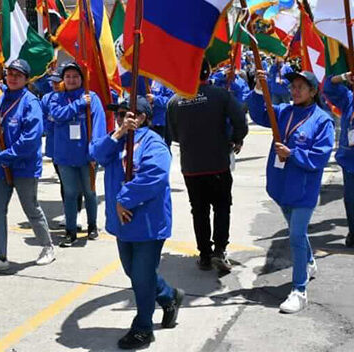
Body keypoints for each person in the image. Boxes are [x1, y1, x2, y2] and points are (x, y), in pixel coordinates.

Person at [92, 97, 183, 350]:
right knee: (133, 271)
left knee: (141, 277)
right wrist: (118, 133)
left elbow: (155, 175)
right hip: (123, 222)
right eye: (118, 115)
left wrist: (124, 199)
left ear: (141, 117)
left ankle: (143, 327)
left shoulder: (154, 143)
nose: (120, 119)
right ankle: (169, 296)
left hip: (147, 223)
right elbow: (96, 154)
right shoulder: (117, 138)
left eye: (124, 114)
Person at [249, 70, 334, 313]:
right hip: (281, 186)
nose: (295, 91)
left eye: (300, 87)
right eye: (293, 86)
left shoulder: (322, 120)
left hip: (304, 191)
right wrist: (258, 88)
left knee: (296, 236)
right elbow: (258, 114)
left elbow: (320, 156)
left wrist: (293, 154)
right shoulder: (285, 110)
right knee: (295, 232)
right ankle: (308, 262)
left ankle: (299, 290)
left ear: (313, 91)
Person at [167, 60, 248, 273]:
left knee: (199, 211)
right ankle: (219, 250)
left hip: (191, 166)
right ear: (208, 72)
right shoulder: (220, 95)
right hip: (218, 163)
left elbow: (173, 134)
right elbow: (240, 119)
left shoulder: (174, 101)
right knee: (222, 207)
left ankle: (204, 254)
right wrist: (236, 138)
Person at [0, 59, 55, 274]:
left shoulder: (31, 102)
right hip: (0, 165)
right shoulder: (0, 99)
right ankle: (0, 256)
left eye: (18, 75)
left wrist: (8, 155)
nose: (12, 78)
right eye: (10, 73)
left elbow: (31, 139)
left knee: (30, 208)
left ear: (26, 79)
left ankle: (47, 247)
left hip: (23, 166)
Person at [46, 61, 106, 246]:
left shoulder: (91, 97)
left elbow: (98, 125)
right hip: (64, 155)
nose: (71, 80)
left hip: (86, 155)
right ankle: (70, 230)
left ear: (82, 78)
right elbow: (57, 115)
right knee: (70, 193)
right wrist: (78, 104)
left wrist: (95, 152)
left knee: (90, 192)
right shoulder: (57, 98)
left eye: (75, 76)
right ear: (63, 79)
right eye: (68, 76)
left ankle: (92, 225)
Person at [323, 71, 354, 248]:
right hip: (349, 160)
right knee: (351, 200)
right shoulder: (348, 98)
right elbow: (328, 87)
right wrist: (343, 77)